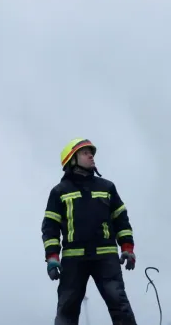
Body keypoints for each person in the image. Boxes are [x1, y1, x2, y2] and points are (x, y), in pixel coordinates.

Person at [41, 138, 139, 325]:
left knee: (120, 306)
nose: (91, 156)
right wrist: (52, 257)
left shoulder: (107, 187)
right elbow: (50, 227)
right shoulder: (59, 192)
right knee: (67, 311)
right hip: (73, 260)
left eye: (91, 152)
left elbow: (121, 220)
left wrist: (128, 247)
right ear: (72, 159)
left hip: (106, 257)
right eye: (85, 153)